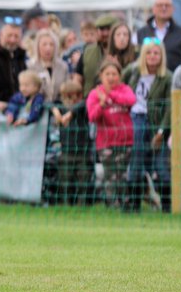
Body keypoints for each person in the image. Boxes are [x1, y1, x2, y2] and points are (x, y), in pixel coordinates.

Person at [122, 39, 172, 211]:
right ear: (143, 55)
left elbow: (170, 107)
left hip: (157, 123)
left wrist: (162, 131)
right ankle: (134, 204)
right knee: (136, 159)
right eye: (148, 52)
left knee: (161, 164)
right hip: (136, 118)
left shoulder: (167, 77)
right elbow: (120, 86)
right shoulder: (133, 72)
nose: (152, 56)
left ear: (162, 56)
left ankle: (167, 206)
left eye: (156, 53)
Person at [86, 59, 137, 210]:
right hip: (105, 143)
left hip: (125, 141)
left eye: (114, 74)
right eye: (107, 74)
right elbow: (92, 117)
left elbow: (131, 100)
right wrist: (102, 104)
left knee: (122, 174)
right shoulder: (94, 94)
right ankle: (112, 205)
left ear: (119, 76)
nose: (111, 77)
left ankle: (124, 204)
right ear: (101, 76)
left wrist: (111, 96)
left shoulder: (125, 89)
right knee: (110, 175)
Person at [51, 80, 93, 205]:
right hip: (66, 152)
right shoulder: (60, 108)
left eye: (75, 96)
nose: (72, 100)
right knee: (65, 180)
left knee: (83, 180)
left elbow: (84, 103)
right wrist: (55, 110)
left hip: (83, 152)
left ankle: (82, 205)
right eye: (67, 97)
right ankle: (65, 205)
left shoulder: (83, 109)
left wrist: (71, 113)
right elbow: (47, 103)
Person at [135, 0, 181, 71]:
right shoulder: (139, 33)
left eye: (167, 5)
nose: (164, 8)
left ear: (173, 9)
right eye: (160, 5)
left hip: (174, 78)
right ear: (153, 8)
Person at [77, 15, 116, 94]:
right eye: (102, 29)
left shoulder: (124, 53)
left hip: (117, 98)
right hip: (89, 97)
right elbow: (78, 78)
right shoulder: (87, 52)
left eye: (108, 29)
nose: (105, 33)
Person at [28, 29, 68, 102]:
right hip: (37, 105)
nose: (48, 48)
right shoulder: (30, 66)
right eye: (44, 44)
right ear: (38, 47)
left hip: (59, 105)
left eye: (51, 44)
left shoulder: (63, 66)